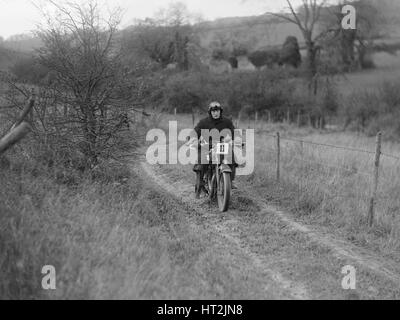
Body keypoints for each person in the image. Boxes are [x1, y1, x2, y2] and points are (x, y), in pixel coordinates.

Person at [191, 101, 237, 192]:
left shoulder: (227, 122)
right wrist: (194, 139)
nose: (215, 113)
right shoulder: (204, 122)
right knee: (202, 162)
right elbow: (195, 132)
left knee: (231, 157)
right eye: (213, 111)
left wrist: (236, 139)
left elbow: (234, 132)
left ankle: (230, 181)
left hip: (221, 145)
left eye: (217, 111)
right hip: (206, 146)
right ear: (210, 112)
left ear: (220, 111)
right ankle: (200, 183)